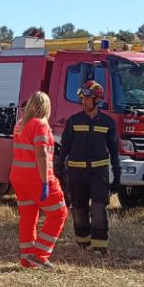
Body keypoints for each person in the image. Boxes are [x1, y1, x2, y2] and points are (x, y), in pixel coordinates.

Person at [57, 80, 120, 254]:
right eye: (82, 98)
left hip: (99, 173)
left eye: (86, 98)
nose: (83, 102)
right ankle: (83, 243)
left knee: (99, 208)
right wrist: (59, 168)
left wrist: (118, 175)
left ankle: (100, 247)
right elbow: (65, 147)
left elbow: (114, 152)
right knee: (78, 208)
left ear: (96, 100)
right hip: (76, 173)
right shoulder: (74, 121)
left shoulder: (107, 123)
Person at [9, 91, 69, 269]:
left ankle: (26, 258)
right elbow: (41, 155)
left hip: (19, 179)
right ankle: (40, 254)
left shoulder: (21, 124)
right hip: (38, 179)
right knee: (59, 213)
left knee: (28, 218)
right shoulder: (40, 125)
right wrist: (45, 183)